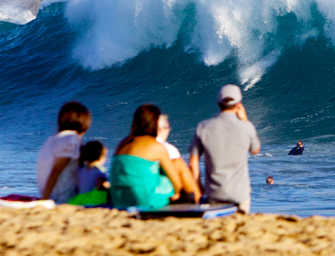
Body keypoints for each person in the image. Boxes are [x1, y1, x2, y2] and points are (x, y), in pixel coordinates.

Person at [189, 85, 261, 214]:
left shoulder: (203, 127)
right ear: (238, 104)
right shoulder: (246, 127)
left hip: (213, 195)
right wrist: (245, 120)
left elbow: (193, 162)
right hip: (239, 195)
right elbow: (255, 149)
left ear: (218, 103)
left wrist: (199, 189)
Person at [110, 104, 191, 210]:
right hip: (145, 200)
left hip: (119, 199)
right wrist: (176, 192)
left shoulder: (122, 144)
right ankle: (196, 200)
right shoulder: (155, 145)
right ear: (155, 123)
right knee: (178, 164)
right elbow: (176, 183)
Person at [37, 101, 89, 203]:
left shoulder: (50, 140)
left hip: (50, 195)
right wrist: (44, 200)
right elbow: (56, 170)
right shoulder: (71, 140)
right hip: (63, 199)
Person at [157, 114, 202, 203]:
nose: (168, 131)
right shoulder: (169, 149)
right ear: (161, 129)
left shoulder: (132, 146)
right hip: (164, 195)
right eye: (168, 128)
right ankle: (199, 200)